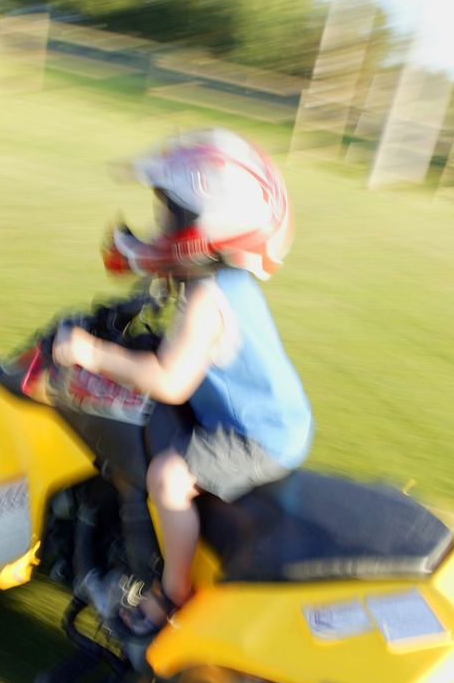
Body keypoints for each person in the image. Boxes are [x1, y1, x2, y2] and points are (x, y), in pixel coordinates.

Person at [53, 128, 311, 635]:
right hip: (258, 413)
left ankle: (172, 593)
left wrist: (92, 353)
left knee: (167, 478)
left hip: (261, 436)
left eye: (168, 213)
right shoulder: (216, 278)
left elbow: (169, 381)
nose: (159, 224)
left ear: (203, 226)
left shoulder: (205, 299)